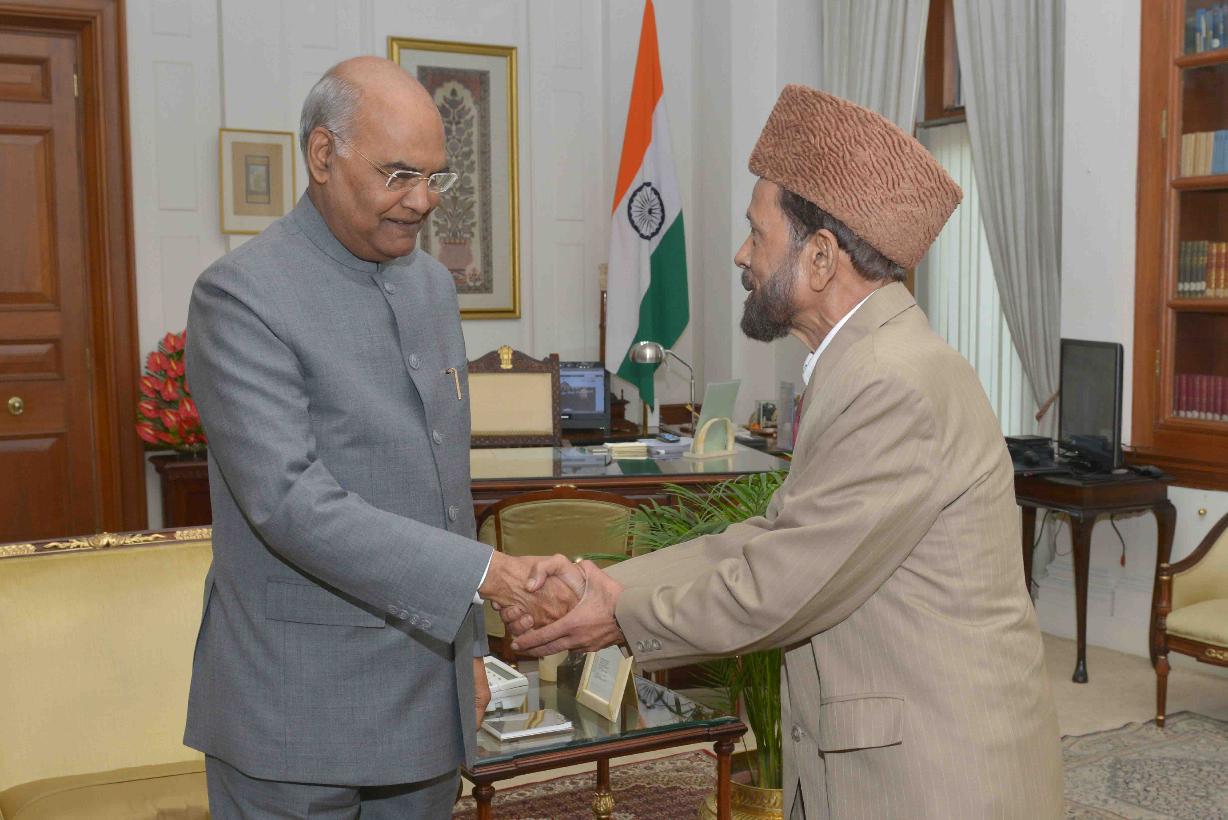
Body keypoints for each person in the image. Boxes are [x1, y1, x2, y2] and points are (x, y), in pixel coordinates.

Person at [505, 85, 1065, 818]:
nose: (741, 254)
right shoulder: (869, 362)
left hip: (934, 776)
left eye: (756, 232)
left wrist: (618, 616)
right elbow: (777, 536)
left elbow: (778, 585)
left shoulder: (891, 381)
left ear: (822, 256)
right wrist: (605, 584)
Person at [184, 57, 580, 818]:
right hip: (294, 710)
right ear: (322, 155)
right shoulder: (241, 296)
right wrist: (487, 576)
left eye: (435, 177)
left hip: (423, 698)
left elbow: (445, 489)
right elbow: (290, 502)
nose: (423, 200)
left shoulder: (431, 285)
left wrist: (469, 652)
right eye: (398, 175)